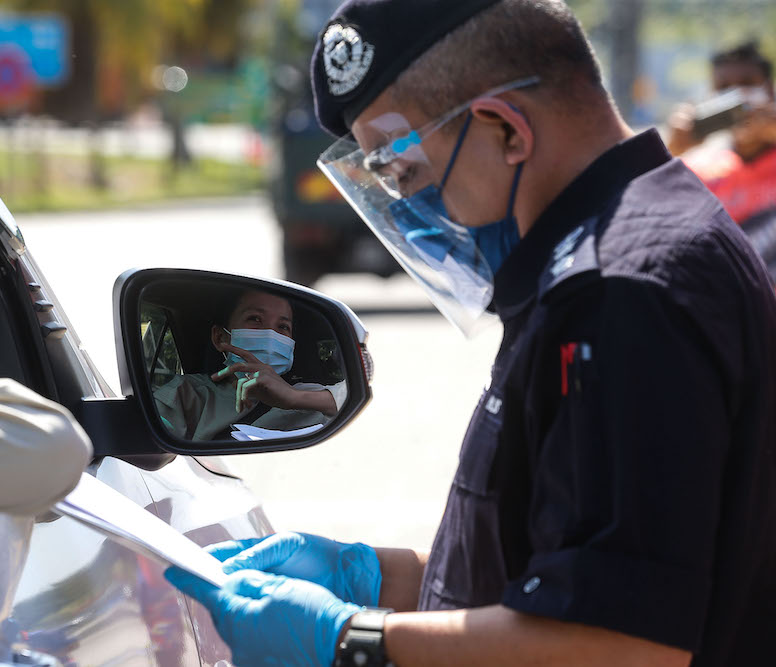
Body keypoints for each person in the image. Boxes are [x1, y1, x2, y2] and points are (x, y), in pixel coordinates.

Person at [166, 1, 776, 666]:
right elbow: (565, 569)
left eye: (404, 173)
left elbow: (621, 643)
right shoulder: (622, 245)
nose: (410, 206)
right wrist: (383, 576)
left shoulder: (618, 294)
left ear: (504, 130)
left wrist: (353, 641)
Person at [153, 288, 346, 441]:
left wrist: (294, 398)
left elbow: (359, 398)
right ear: (220, 337)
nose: (270, 334)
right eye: (255, 319)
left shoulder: (311, 395)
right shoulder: (186, 394)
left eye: (283, 327)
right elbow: (150, 446)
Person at [667, 41, 776, 225]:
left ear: (770, 91)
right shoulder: (700, 172)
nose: (736, 98)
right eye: (724, 88)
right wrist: (669, 153)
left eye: (747, 83)